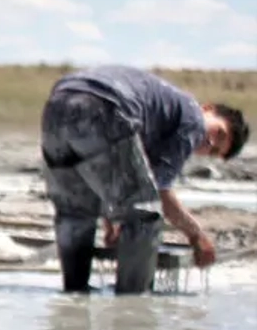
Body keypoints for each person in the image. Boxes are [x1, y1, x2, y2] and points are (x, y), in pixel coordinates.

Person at [39, 65, 246, 294]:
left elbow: (108, 173)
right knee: (147, 214)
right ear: (208, 109)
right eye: (219, 133)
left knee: (75, 213)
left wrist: (111, 221)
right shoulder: (193, 118)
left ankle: (74, 296)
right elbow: (159, 192)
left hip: (57, 107)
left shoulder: (162, 119)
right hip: (105, 105)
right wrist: (196, 236)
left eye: (214, 151)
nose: (209, 143)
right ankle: (133, 302)